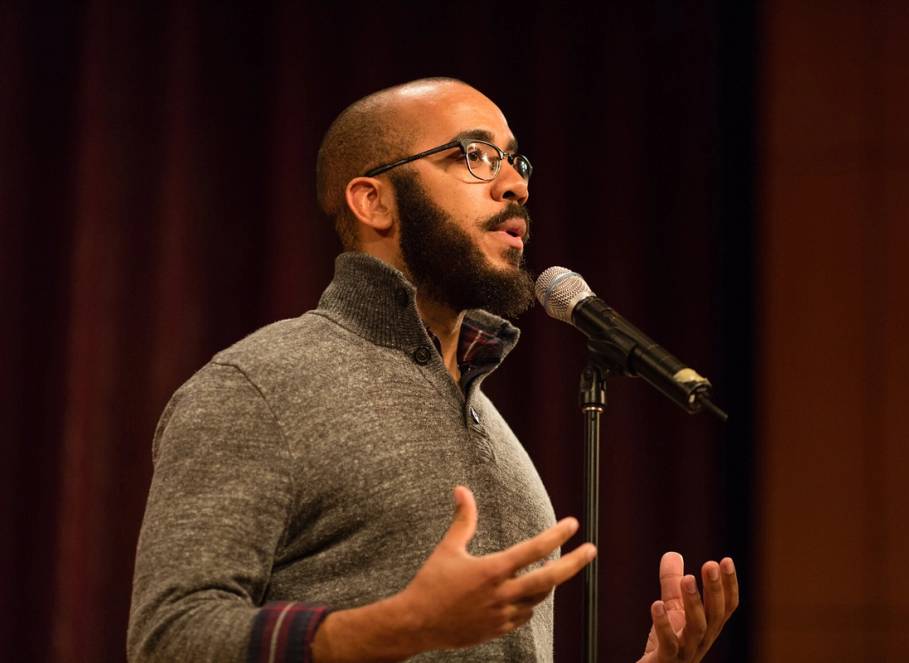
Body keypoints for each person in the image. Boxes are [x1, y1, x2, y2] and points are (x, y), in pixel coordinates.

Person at [127, 77, 738, 663]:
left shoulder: (489, 419)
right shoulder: (257, 388)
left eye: (515, 162)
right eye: (474, 155)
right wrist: (391, 629)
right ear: (374, 202)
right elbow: (169, 639)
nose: (514, 186)